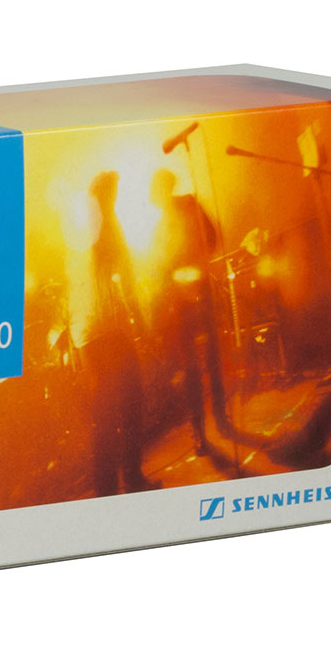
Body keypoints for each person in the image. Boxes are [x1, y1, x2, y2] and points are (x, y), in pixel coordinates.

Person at [72, 171, 156, 496]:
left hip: (88, 334)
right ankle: (131, 477)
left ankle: (106, 491)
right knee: (131, 403)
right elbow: (125, 278)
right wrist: (140, 322)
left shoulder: (80, 230)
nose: (116, 196)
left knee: (104, 414)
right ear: (107, 193)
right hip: (110, 331)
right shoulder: (109, 224)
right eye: (114, 190)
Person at [150, 168, 229, 453]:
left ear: (167, 188)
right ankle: (201, 431)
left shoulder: (189, 205)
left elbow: (212, 236)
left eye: (160, 189)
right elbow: (159, 265)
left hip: (200, 290)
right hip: (181, 301)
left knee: (211, 357)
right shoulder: (160, 228)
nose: (159, 196)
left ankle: (219, 419)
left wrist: (198, 264)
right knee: (192, 365)